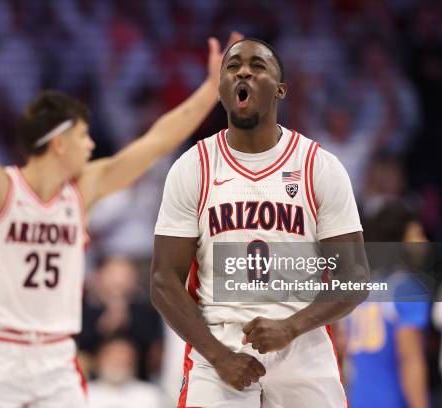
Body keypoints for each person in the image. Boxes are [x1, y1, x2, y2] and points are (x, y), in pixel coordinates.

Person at [0, 16, 242, 407]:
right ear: (58, 142)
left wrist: (209, 90)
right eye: (83, 136)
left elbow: (156, 141)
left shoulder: (83, 190)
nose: (92, 145)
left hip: (56, 354)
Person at [151, 38, 369, 407]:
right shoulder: (193, 167)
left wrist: (291, 326)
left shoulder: (319, 165)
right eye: (233, 67)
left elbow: (355, 277)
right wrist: (219, 356)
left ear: (281, 90)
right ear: (221, 89)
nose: (244, 72)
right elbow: (162, 281)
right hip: (219, 343)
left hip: (303, 338)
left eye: (258, 65)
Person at [346, 200, 430, 408]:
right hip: (393, 401)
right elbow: (410, 360)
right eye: (416, 235)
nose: (425, 243)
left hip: (357, 400)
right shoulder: (407, 289)